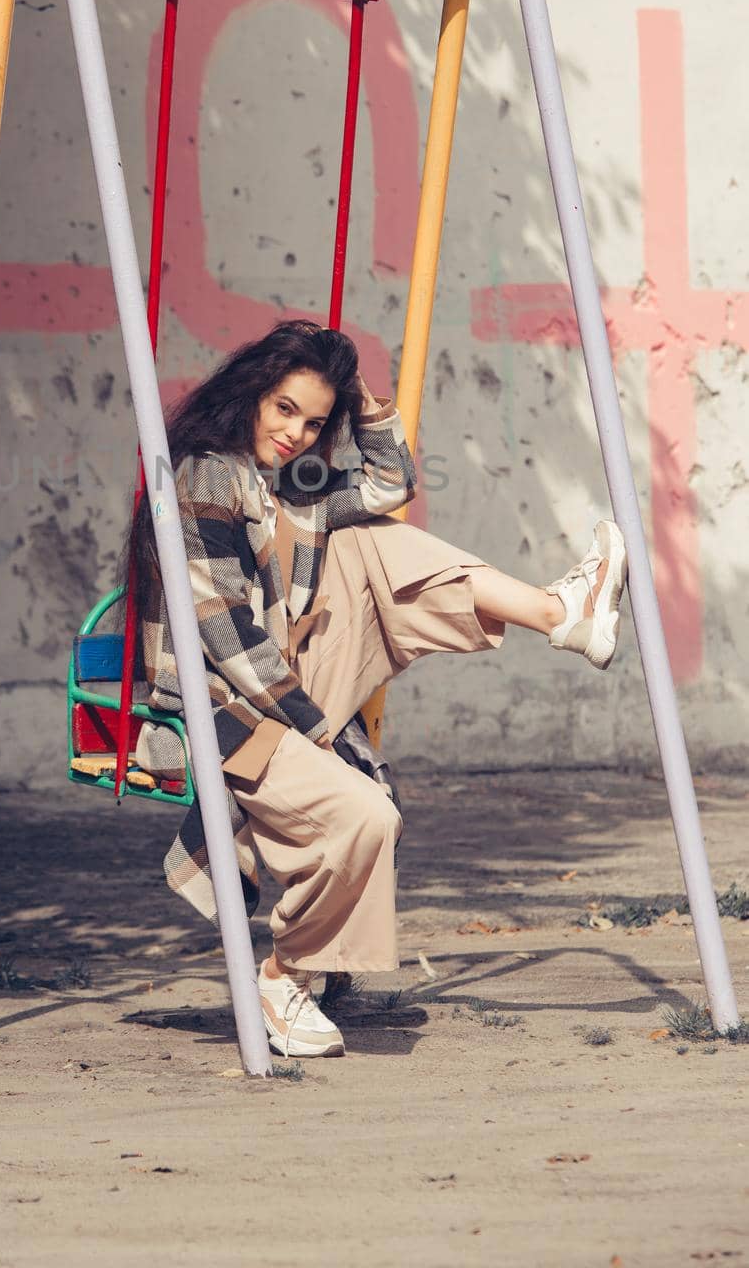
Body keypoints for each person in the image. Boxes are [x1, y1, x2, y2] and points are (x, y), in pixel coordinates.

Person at [127, 319, 627, 1058]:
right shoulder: (206, 474)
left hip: (277, 683)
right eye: (284, 409)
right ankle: (283, 974)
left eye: (314, 420)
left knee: (370, 537)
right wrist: (315, 726)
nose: (298, 434)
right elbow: (223, 630)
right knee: (367, 817)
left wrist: (358, 399)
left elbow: (390, 483)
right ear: (251, 397)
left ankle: (561, 615)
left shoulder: (284, 488)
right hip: (219, 709)